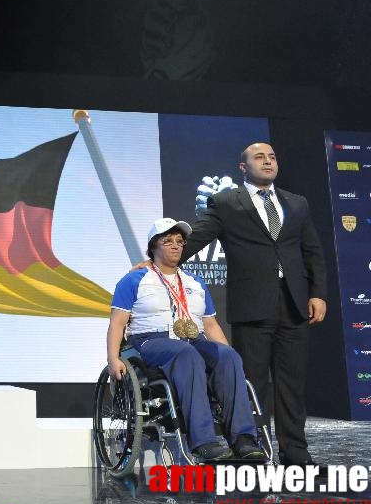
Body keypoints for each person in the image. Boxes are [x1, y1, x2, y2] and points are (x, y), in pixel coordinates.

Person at [180, 143, 327, 468]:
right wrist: (157, 261)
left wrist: (318, 292)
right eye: (260, 157)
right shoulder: (227, 202)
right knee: (254, 381)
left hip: (293, 303)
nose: (268, 161)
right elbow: (196, 237)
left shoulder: (296, 203)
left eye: (272, 157)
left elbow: (312, 251)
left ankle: (296, 455)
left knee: (291, 383)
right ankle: (252, 450)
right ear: (243, 167)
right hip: (252, 304)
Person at [109, 218, 267, 462]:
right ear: (153, 247)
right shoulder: (134, 280)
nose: (176, 246)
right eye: (168, 241)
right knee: (186, 353)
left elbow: (211, 325)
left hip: (192, 340)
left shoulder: (195, 282)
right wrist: (112, 358)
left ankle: (243, 438)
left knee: (228, 356)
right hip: (151, 342)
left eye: (180, 241)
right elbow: (117, 323)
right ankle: (203, 441)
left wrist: (228, 363)